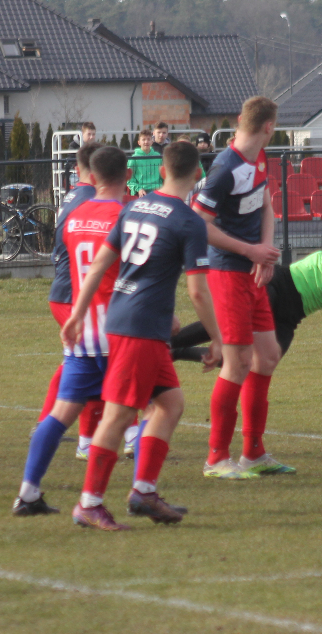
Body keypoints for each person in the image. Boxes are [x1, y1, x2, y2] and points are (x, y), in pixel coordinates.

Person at [64, 141, 223, 530]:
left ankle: (145, 492)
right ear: (198, 174)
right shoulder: (188, 221)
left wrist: (78, 312)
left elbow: (100, 263)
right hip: (141, 328)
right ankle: (89, 503)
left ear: (163, 170)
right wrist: (218, 339)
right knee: (119, 415)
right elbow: (198, 291)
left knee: (170, 404)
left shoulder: (134, 205)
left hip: (125, 319)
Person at [13, 146, 129, 516]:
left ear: (92, 176)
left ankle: (27, 493)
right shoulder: (124, 216)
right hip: (118, 334)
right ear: (127, 176)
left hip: (82, 333)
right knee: (154, 407)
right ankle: (142, 490)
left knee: (60, 415)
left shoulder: (76, 216)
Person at [193, 96, 286, 479]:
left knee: (268, 355)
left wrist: (265, 254)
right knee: (238, 363)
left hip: (252, 271)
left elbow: (266, 205)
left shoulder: (259, 157)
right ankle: (216, 458)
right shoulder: (225, 168)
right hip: (227, 273)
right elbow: (198, 223)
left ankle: (253, 453)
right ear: (269, 126)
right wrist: (250, 251)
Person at [170, 235, 322, 360]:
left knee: (253, 361)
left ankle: (176, 352)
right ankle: (166, 343)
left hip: (294, 313)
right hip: (281, 285)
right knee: (232, 325)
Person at [33, 142, 104, 459]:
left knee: (77, 361)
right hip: (73, 294)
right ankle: (92, 440)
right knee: (97, 362)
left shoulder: (74, 195)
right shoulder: (92, 199)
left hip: (64, 291)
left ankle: (46, 422)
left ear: (77, 169)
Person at [128, 129, 163, 196]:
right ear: (139, 142)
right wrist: (139, 189)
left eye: (148, 139)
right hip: (141, 191)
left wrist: (161, 187)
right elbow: (130, 180)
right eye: (143, 140)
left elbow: (163, 177)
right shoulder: (134, 159)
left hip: (157, 190)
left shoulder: (158, 157)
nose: (146, 142)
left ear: (152, 142)